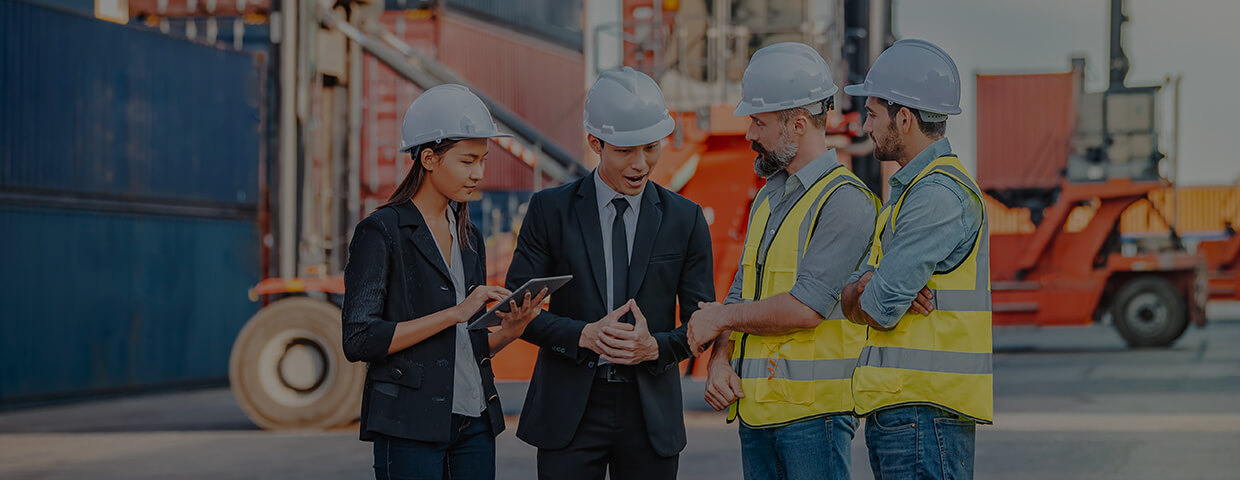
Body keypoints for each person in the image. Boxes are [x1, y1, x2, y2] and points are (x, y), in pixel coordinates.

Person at [505, 66, 716, 480]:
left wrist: (653, 347)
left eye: (651, 148)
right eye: (624, 151)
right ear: (595, 143)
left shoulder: (685, 219)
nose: (641, 165)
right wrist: (582, 335)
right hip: (569, 412)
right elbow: (517, 308)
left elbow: (702, 321)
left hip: (650, 411)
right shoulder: (550, 211)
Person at [686, 42, 884, 480]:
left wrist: (720, 318)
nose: (748, 134)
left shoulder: (845, 202)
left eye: (759, 121)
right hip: (757, 415)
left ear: (797, 124)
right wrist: (720, 359)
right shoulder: (768, 198)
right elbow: (742, 293)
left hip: (815, 419)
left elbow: (805, 309)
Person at [341, 84, 548, 480]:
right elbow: (359, 339)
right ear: (430, 158)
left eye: (483, 160)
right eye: (468, 160)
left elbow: (467, 346)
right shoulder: (382, 232)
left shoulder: (468, 236)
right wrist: (455, 313)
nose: (479, 173)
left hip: (474, 422)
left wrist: (513, 330)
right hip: (409, 425)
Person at [839, 39, 993, 480]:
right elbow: (862, 297)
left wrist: (866, 291)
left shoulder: (935, 195)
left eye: (871, 113)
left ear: (903, 117)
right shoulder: (912, 193)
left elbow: (878, 308)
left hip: (922, 416)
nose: (866, 125)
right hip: (908, 414)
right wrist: (863, 289)